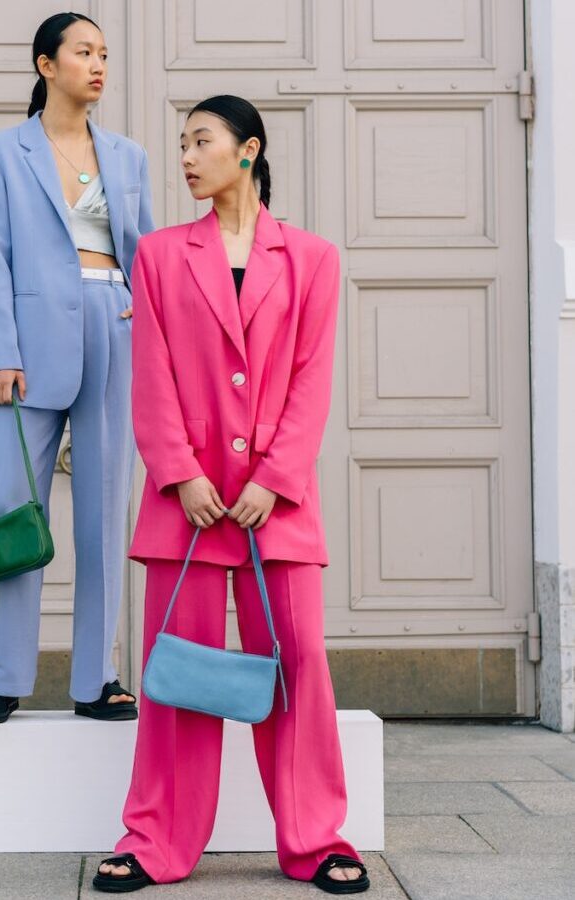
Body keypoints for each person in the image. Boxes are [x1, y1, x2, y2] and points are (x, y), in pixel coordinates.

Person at [92, 96, 370, 894]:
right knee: (174, 676)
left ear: (246, 151)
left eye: (200, 141)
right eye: (180, 143)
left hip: (274, 506)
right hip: (189, 500)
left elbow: (312, 380)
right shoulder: (158, 255)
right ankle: (153, 842)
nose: (184, 156)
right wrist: (180, 472)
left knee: (298, 669)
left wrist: (275, 480)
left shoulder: (312, 257)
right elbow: (150, 373)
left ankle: (316, 841)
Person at [0, 12, 154, 725]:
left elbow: (145, 253)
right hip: (29, 346)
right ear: (46, 64)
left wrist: (151, 325)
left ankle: (95, 678)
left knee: (106, 516)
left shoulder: (126, 156)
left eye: (104, 53)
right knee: (15, 510)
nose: (98, 64)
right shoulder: (2, 151)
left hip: (113, 326)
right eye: (83, 52)